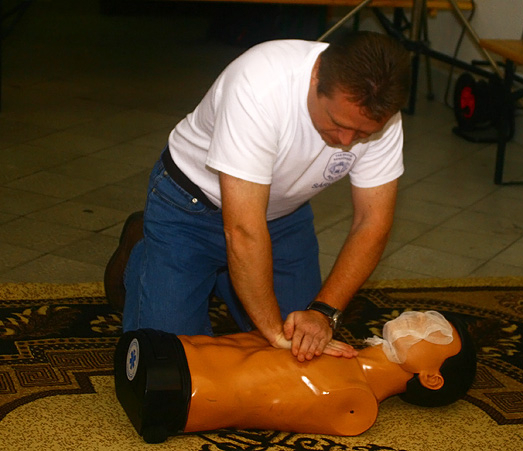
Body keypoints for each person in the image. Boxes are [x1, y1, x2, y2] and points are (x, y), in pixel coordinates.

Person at [105, 30, 412, 362]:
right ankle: (147, 246)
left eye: (363, 133)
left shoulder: (382, 117)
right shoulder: (260, 83)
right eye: (337, 122)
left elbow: (371, 222)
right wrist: (274, 332)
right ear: (315, 77)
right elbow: (243, 230)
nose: (347, 140)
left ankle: (224, 275)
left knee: (304, 351)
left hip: (282, 218)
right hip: (189, 208)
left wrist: (323, 312)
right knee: (171, 363)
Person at [114, 311, 478, 443]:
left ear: (432, 378)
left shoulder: (356, 405)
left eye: (436, 331)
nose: (421, 319)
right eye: (429, 316)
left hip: (172, 392)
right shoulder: (334, 347)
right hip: (166, 349)